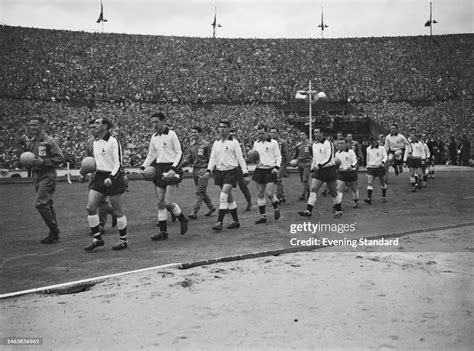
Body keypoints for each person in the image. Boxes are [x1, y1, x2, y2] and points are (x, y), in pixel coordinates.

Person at [141, 112, 188, 241]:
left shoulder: (172, 134)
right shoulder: (154, 137)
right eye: (152, 123)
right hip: (159, 168)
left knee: (167, 202)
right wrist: (143, 167)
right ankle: (163, 232)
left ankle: (183, 220)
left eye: (156, 122)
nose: (154, 125)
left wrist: (174, 168)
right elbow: (151, 155)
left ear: (163, 121)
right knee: (160, 203)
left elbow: (179, 152)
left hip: (171, 169)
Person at [84, 118, 129, 251]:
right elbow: (95, 162)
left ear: (105, 126)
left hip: (113, 177)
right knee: (90, 207)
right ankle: (97, 238)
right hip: (99, 176)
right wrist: (84, 171)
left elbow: (118, 163)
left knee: (118, 211)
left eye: (97, 123)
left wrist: (111, 177)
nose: (94, 126)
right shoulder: (95, 142)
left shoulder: (113, 141)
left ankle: (123, 240)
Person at [25, 115, 64, 244]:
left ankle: (54, 230)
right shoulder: (31, 141)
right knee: (48, 204)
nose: (32, 128)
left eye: (35, 125)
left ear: (42, 126)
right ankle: (54, 233)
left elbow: (60, 158)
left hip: (47, 175)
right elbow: (30, 158)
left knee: (40, 203)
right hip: (36, 176)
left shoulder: (49, 141)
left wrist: (44, 161)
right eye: (30, 125)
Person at [205, 120, 250, 231]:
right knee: (229, 198)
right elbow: (213, 158)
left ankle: (219, 222)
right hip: (219, 172)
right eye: (220, 127)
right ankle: (236, 221)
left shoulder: (234, 142)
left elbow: (240, 158)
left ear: (229, 129)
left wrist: (245, 173)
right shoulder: (216, 143)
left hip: (231, 172)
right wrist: (208, 170)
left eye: (224, 127)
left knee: (223, 196)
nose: (222, 129)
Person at [80, 118, 117, 235]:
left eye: (94, 126)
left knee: (100, 202)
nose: (92, 129)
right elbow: (88, 161)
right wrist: (83, 173)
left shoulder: (111, 141)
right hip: (95, 174)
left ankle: (100, 226)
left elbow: (115, 159)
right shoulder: (90, 142)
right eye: (90, 128)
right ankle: (113, 212)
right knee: (96, 202)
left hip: (107, 174)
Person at [298, 127, 343, 218]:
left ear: (322, 133)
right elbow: (314, 158)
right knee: (313, 189)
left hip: (329, 170)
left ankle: (338, 211)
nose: (315, 134)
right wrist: (312, 168)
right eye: (314, 132)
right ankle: (308, 211)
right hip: (319, 171)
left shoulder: (328, 143)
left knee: (333, 192)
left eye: (317, 132)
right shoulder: (314, 144)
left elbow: (329, 158)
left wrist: (319, 165)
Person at [181, 126, 216, 220]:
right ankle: (211, 208)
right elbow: (188, 157)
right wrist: (180, 165)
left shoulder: (206, 145)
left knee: (199, 191)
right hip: (195, 170)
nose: (192, 134)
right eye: (192, 132)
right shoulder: (192, 145)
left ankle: (194, 212)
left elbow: (211, 158)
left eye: (195, 132)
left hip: (203, 169)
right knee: (202, 191)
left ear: (200, 133)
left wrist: (209, 170)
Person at [250, 125, 282, 224]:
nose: (260, 135)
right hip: (259, 169)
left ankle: (276, 207)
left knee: (269, 193)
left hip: (270, 170)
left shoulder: (273, 143)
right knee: (260, 193)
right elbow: (254, 156)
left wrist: (276, 167)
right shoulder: (256, 143)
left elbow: (278, 156)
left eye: (262, 133)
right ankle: (263, 217)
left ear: (267, 132)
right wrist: (251, 157)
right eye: (259, 133)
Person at [229, 128, 253, 211]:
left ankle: (249, 203)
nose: (232, 136)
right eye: (230, 135)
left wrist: (244, 169)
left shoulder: (239, 143)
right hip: (230, 168)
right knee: (227, 186)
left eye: (233, 135)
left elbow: (243, 157)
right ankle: (229, 205)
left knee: (243, 186)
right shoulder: (225, 143)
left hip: (238, 167)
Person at [335, 139, 359, 209]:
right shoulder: (337, 154)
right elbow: (336, 164)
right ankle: (338, 205)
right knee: (339, 188)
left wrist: (351, 167)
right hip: (341, 173)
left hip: (351, 172)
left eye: (342, 143)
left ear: (346, 144)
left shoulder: (351, 152)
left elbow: (355, 161)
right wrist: (337, 168)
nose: (340, 145)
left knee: (354, 188)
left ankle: (356, 201)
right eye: (339, 143)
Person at [364, 136, 388, 204]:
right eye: (371, 143)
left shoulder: (382, 148)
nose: (372, 144)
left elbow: (385, 156)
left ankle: (384, 195)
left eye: (373, 142)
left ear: (376, 141)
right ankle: (369, 198)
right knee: (370, 182)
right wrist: (367, 166)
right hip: (371, 167)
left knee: (382, 182)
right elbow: (367, 158)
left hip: (380, 167)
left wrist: (383, 162)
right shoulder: (368, 149)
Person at [269, 127, 289, 204]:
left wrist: (286, 164)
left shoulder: (282, 142)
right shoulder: (270, 142)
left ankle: (278, 197)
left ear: (278, 133)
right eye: (271, 132)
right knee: (276, 181)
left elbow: (286, 153)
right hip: (273, 164)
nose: (272, 134)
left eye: (274, 132)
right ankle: (282, 196)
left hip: (281, 163)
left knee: (277, 179)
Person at [291, 131, 312, 201]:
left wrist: (312, 161)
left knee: (305, 179)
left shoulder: (310, 145)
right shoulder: (298, 145)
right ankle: (309, 192)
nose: (302, 136)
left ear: (306, 136)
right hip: (300, 163)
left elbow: (313, 154)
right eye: (300, 135)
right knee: (303, 180)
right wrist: (293, 160)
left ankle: (303, 195)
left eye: (303, 135)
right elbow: (296, 154)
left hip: (307, 163)